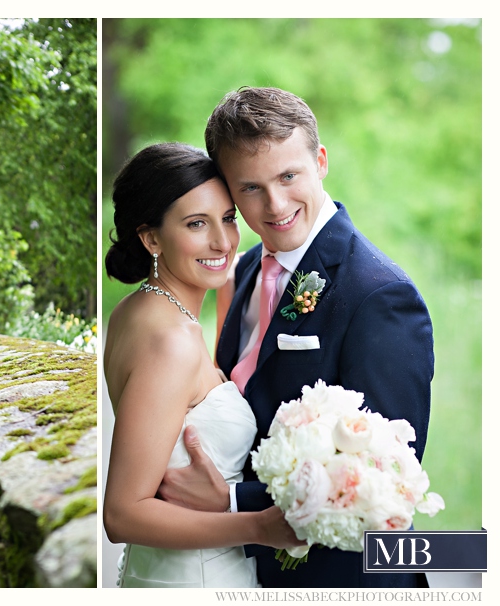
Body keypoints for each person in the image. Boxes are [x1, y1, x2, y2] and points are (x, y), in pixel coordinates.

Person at [157, 87, 435, 588]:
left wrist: (230, 501)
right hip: (243, 571)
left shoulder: (380, 295)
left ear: (320, 161)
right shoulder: (240, 271)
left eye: (288, 176)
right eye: (250, 188)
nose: (276, 204)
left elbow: (387, 475)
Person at [103, 142, 306, 588]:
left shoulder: (136, 312)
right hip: (195, 578)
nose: (223, 241)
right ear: (151, 237)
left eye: (228, 219)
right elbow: (122, 513)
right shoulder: (170, 340)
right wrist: (257, 526)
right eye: (197, 224)